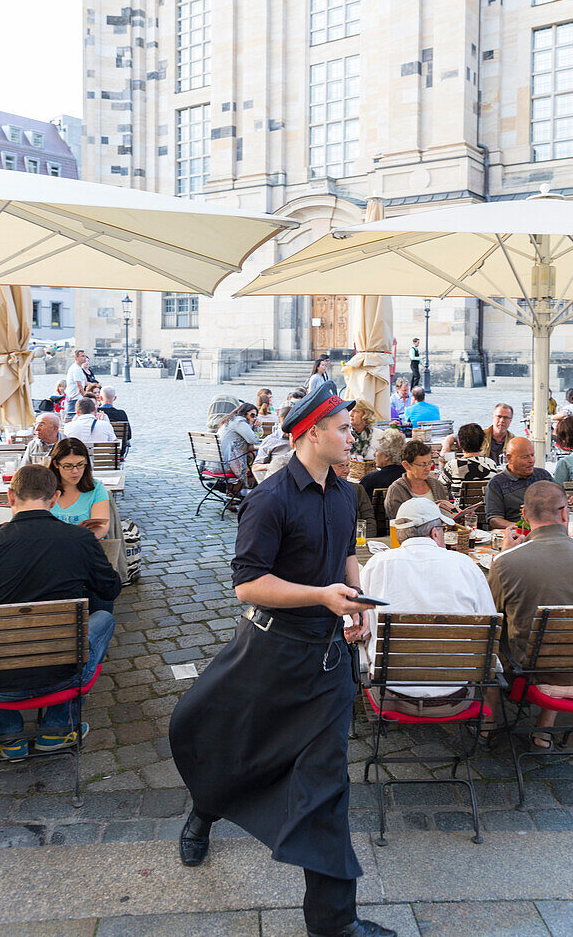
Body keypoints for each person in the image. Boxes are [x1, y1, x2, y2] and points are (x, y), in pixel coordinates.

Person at [169, 382, 395, 937]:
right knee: (233, 747)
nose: (352, 434)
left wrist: (355, 597)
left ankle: (332, 923)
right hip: (268, 653)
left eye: (350, 427)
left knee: (327, 786)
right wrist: (320, 596)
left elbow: (345, 554)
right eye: (343, 427)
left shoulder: (346, 493)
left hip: (326, 664)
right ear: (311, 432)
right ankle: (205, 808)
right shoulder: (268, 499)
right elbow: (248, 586)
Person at [0, 464, 120, 760]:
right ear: (55, 498)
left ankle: (6, 736)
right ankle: (57, 729)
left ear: (10, 496)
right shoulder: (80, 540)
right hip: (62, 675)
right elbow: (110, 590)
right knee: (103, 618)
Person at [489, 481, 573, 748]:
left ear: (524, 516)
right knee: (563, 627)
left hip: (535, 678)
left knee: (492, 639)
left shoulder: (507, 562)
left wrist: (506, 555)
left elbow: (491, 618)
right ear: (565, 513)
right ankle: (544, 727)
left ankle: (487, 725)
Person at [362, 497, 498, 716]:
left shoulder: (377, 564)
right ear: (435, 533)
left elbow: (361, 628)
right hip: (456, 696)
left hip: (391, 697)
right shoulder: (465, 565)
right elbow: (487, 630)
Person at [48, 438, 111, 542]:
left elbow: (102, 528)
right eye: (68, 466)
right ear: (56, 464)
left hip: (85, 547)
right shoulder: (44, 487)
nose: (75, 471)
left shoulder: (96, 488)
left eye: (80, 465)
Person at [485, 437, 555, 529]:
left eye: (532, 455)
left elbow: (557, 503)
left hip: (547, 529)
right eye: (525, 457)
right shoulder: (496, 483)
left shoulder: (543, 475)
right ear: (509, 458)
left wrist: (566, 499)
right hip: (516, 533)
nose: (531, 461)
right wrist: (521, 527)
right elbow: (494, 519)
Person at [384, 440, 451, 522]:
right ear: (406, 465)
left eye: (429, 463)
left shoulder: (436, 485)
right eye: (422, 465)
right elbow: (398, 523)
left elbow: (446, 515)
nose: (428, 468)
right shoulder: (396, 490)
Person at [442, 423, 498, 502]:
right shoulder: (491, 463)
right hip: (486, 511)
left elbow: (439, 488)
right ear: (482, 443)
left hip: (460, 512)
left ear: (459, 442)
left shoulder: (453, 465)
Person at [217, 402, 261, 495]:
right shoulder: (239, 421)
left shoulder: (230, 419)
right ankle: (236, 492)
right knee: (257, 457)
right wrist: (256, 427)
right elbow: (253, 439)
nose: (254, 418)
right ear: (244, 413)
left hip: (217, 462)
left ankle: (233, 495)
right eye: (252, 415)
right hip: (227, 464)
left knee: (251, 455)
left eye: (256, 416)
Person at [334, 459, 376, 538]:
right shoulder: (318, 493)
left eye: (347, 465)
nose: (347, 471)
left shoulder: (357, 490)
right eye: (340, 466)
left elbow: (370, 525)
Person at [360, 428, 406, 499]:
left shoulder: (370, 480)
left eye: (377, 451)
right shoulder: (408, 476)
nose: (374, 454)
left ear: (387, 456)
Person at [252, 404, 293, 482]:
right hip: (279, 482)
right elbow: (256, 467)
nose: (288, 428)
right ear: (280, 422)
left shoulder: (305, 439)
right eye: (284, 425)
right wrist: (274, 466)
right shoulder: (271, 440)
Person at [98, 386, 132, 457]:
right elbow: (129, 435)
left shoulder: (97, 413)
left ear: (100, 398)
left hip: (99, 451)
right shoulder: (121, 413)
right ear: (115, 398)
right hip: (117, 452)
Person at [65, 349, 88, 418]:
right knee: (71, 416)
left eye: (85, 356)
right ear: (76, 357)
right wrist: (84, 395)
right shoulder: (76, 369)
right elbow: (78, 384)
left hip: (75, 396)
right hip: (74, 397)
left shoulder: (77, 368)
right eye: (82, 356)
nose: (85, 358)